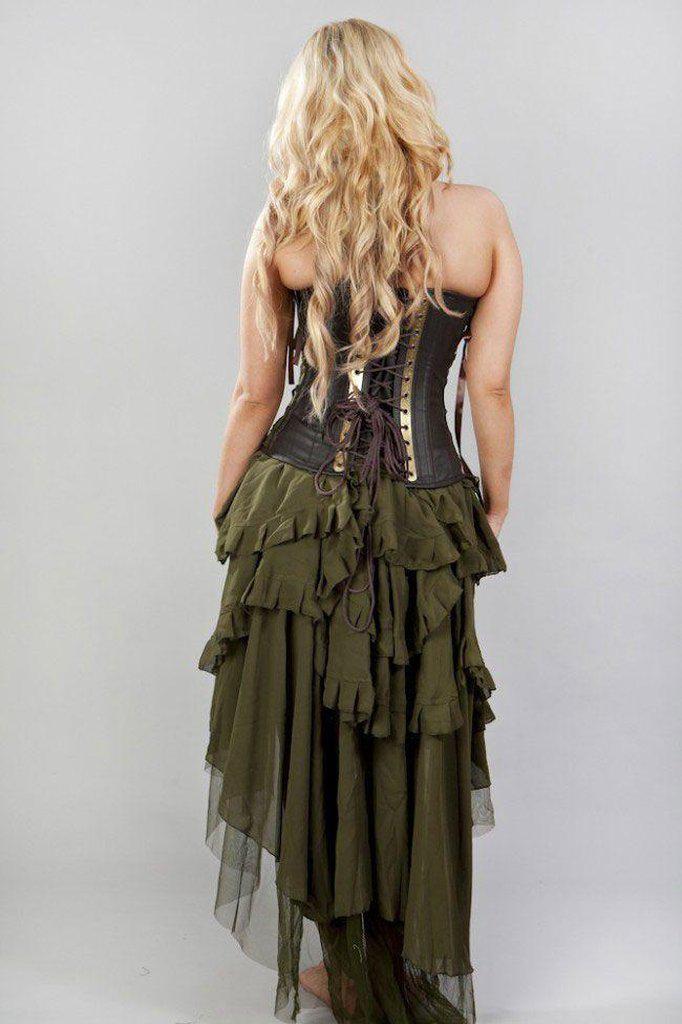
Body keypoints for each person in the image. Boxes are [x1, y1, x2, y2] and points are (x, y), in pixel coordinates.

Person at [199, 18, 522, 1024]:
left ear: (308, 112)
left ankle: (347, 966)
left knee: (319, 730)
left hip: (298, 512)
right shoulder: (480, 219)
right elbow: (489, 386)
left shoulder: (285, 226)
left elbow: (255, 395)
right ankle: (386, 965)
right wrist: (493, 500)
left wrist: (226, 507)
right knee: (406, 732)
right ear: (405, 95)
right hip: (428, 511)